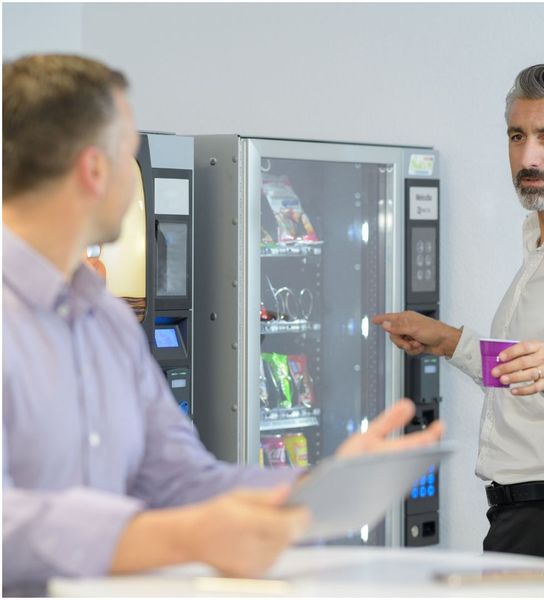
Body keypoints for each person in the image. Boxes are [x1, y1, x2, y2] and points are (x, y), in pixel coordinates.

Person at [2, 54, 444, 596]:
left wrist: (323, 487)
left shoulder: (107, 324)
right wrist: (179, 538)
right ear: (94, 169)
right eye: (130, 150)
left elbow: (183, 480)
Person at [374, 64, 544, 570]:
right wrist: (451, 342)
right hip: (521, 515)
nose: (528, 156)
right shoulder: (539, 241)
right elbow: (527, 371)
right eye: (517, 136)